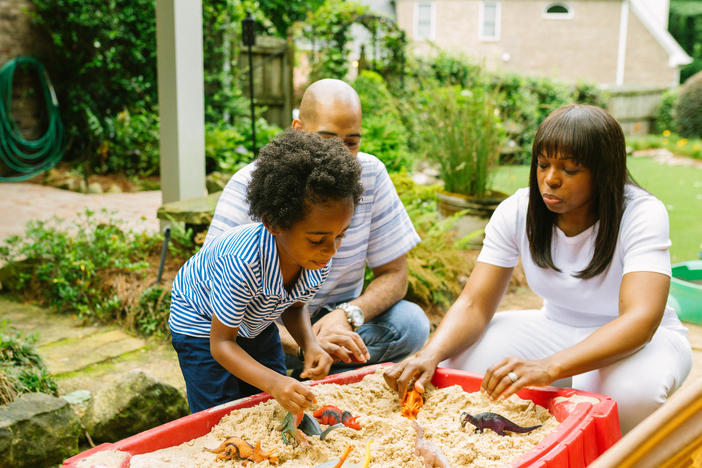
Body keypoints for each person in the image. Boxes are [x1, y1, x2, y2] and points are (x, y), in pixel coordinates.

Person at [383, 105, 692, 434]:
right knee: (457, 362)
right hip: (553, 327)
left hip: (643, 342)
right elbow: (474, 303)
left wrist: (548, 367)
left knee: (625, 396)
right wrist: (430, 354)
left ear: (604, 172)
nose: (551, 179)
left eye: (569, 170)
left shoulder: (642, 213)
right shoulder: (518, 209)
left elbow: (640, 321)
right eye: (543, 164)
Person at [205, 78, 429, 375]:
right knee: (243, 343)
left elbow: (395, 274)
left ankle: (321, 365)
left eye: (351, 142)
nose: (339, 152)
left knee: (410, 323)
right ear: (298, 130)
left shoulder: (371, 174)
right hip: (265, 329)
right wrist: (303, 343)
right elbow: (213, 299)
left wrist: (346, 316)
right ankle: (315, 364)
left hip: (333, 321)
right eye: (326, 139)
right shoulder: (252, 184)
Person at [169, 130, 364, 413]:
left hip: (256, 320)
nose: (331, 249)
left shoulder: (316, 258)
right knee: (220, 414)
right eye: (318, 238)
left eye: (340, 235)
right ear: (274, 223)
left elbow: (294, 306)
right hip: (201, 325)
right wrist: (274, 382)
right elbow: (222, 344)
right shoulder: (243, 262)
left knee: (272, 405)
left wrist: (309, 345)